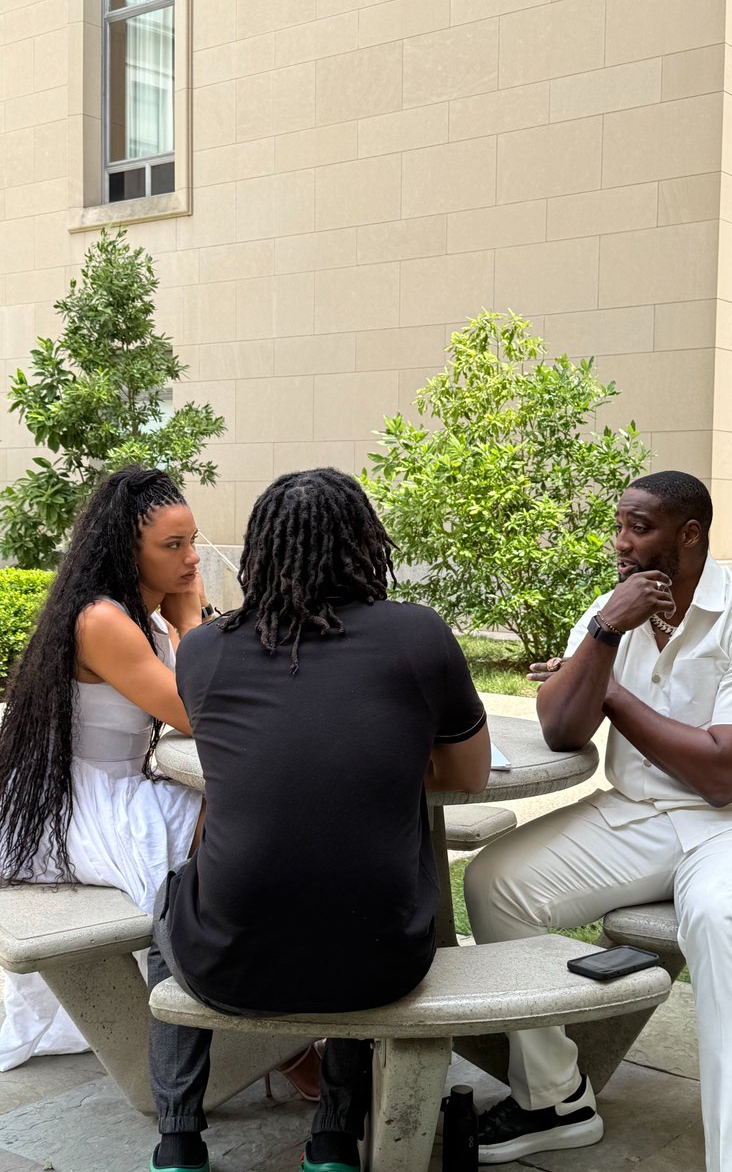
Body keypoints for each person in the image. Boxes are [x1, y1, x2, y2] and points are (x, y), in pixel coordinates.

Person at [464, 471, 732, 1172]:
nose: (621, 544)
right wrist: (604, 634)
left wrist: (603, 688)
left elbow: (725, 775)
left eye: (640, 528)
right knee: (495, 882)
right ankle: (555, 1097)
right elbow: (561, 728)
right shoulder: (615, 612)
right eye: (619, 526)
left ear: (689, 534)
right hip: (640, 815)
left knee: (720, 913)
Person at [146, 467, 490, 1172]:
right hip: (383, 964)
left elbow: (254, 760)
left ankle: (178, 1141)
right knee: (356, 893)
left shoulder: (205, 651)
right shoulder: (417, 634)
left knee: (172, 905)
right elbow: (467, 776)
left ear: (259, 552)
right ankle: (333, 1135)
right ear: (367, 543)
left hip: (226, 966)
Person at [0, 466, 210, 1071]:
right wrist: (191, 620)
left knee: (233, 807)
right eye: (173, 546)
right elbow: (199, 713)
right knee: (234, 812)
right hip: (82, 803)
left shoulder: (133, 614)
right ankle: (221, 993)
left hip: (114, 785)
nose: (192, 559)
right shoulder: (103, 621)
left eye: (192, 540)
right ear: (127, 549)